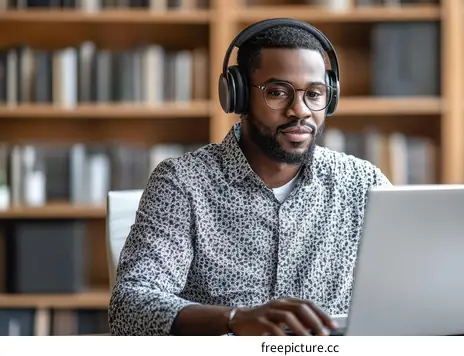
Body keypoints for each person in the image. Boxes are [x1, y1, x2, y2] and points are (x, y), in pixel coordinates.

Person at [108, 18, 391, 336]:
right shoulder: (183, 183)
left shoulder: (362, 183)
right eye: (278, 93)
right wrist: (234, 319)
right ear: (238, 95)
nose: (299, 110)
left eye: (314, 94)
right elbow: (129, 307)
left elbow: (411, 287)